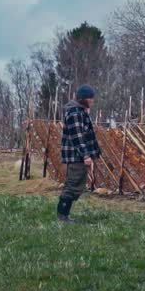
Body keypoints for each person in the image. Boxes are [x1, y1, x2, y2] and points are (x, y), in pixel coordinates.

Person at [58, 84, 101, 224]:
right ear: (84, 99)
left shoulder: (79, 112)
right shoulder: (75, 113)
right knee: (72, 184)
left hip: (77, 155)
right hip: (76, 155)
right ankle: (62, 217)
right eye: (90, 99)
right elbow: (78, 137)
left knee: (75, 184)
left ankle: (64, 216)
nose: (92, 101)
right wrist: (86, 155)